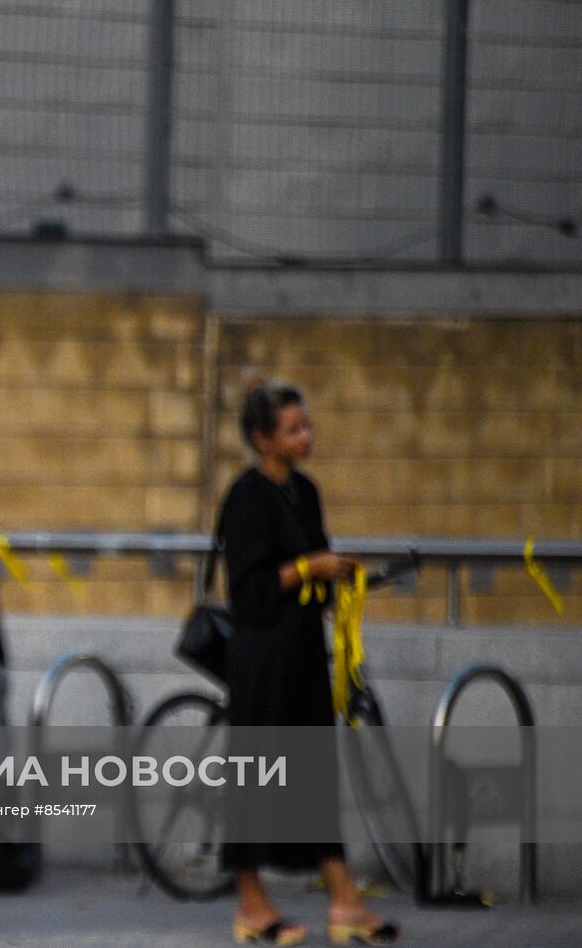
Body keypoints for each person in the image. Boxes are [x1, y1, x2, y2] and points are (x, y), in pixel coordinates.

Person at [217, 381, 398, 946]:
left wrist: (337, 572)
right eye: (293, 429)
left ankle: (344, 902)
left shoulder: (305, 492)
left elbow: (316, 560)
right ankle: (251, 904)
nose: (306, 436)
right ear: (261, 439)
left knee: (314, 776)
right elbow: (247, 593)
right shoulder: (246, 498)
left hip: (301, 655)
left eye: (306, 425)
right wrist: (308, 568)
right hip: (260, 659)